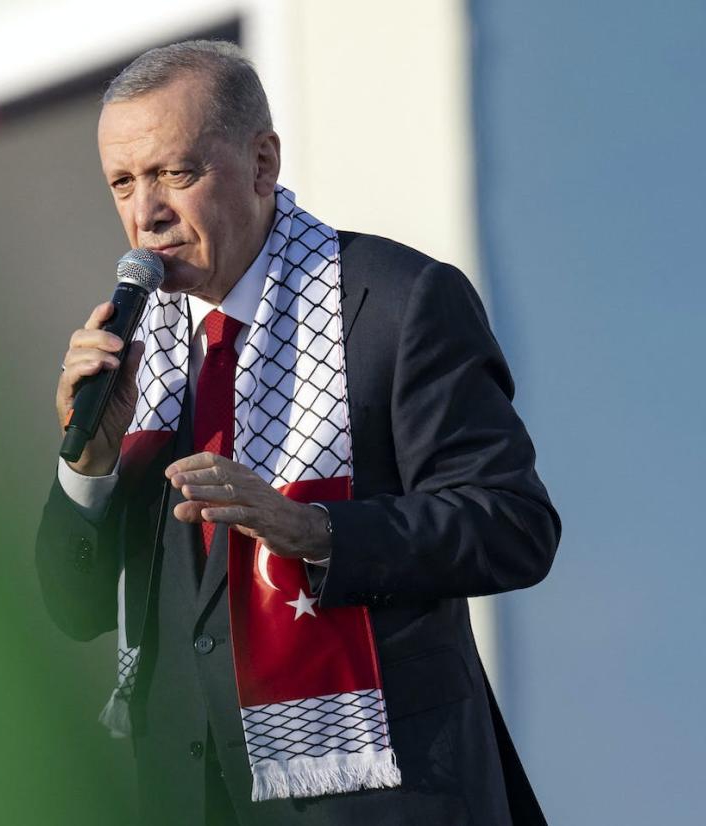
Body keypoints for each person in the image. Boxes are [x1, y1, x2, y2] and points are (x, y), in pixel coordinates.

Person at [35, 40, 559, 826]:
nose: (146, 212)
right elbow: (74, 606)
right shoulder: (134, 342)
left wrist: (313, 530)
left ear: (262, 163)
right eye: (123, 182)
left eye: (175, 173)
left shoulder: (398, 303)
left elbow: (514, 526)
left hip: (381, 801)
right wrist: (91, 466)